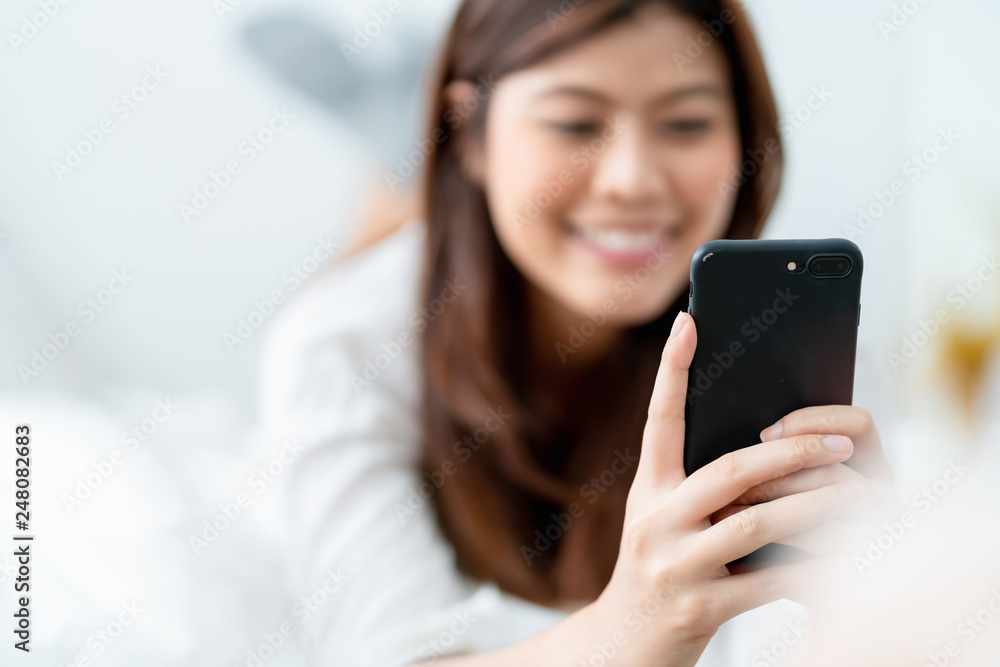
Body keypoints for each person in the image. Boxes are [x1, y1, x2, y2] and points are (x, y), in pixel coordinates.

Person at [258, 0, 899, 664]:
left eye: (686, 122)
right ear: (469, 133)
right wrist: (638, 623)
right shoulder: (344, 343)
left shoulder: (793, 341)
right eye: (574, 122)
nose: (633, 181)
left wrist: (863, 600)